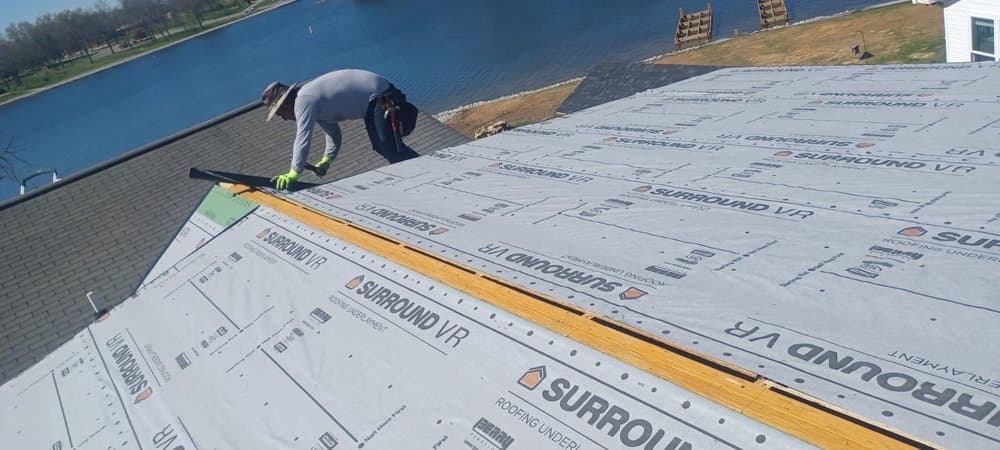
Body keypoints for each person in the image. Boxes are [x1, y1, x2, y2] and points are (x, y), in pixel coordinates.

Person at [261, 69, 419, 189]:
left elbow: (303, 137)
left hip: (381, 95)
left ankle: (419, 172)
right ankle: (415, 171)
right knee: (379, 145)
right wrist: (326, 161)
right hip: (371, 103)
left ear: (286, 104)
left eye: (280, 113)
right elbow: (334, 135)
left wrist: (294, 172)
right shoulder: (313, 103)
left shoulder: (303, 100)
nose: (284, 118)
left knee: (386, 144)